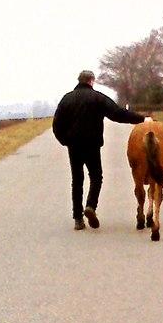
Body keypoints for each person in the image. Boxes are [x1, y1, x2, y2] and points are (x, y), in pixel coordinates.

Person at [52, 70, 146, 230]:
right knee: (96, 177)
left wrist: (65, 141)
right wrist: (142, 119)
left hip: (73, 146)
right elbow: (117, 114)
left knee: (77, 180)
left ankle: (78, 219)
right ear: (91, 81)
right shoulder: (97, 98)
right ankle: (90, 206)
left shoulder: (66, 99)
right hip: (92, 145)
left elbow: (57, 125)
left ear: (79, 80)